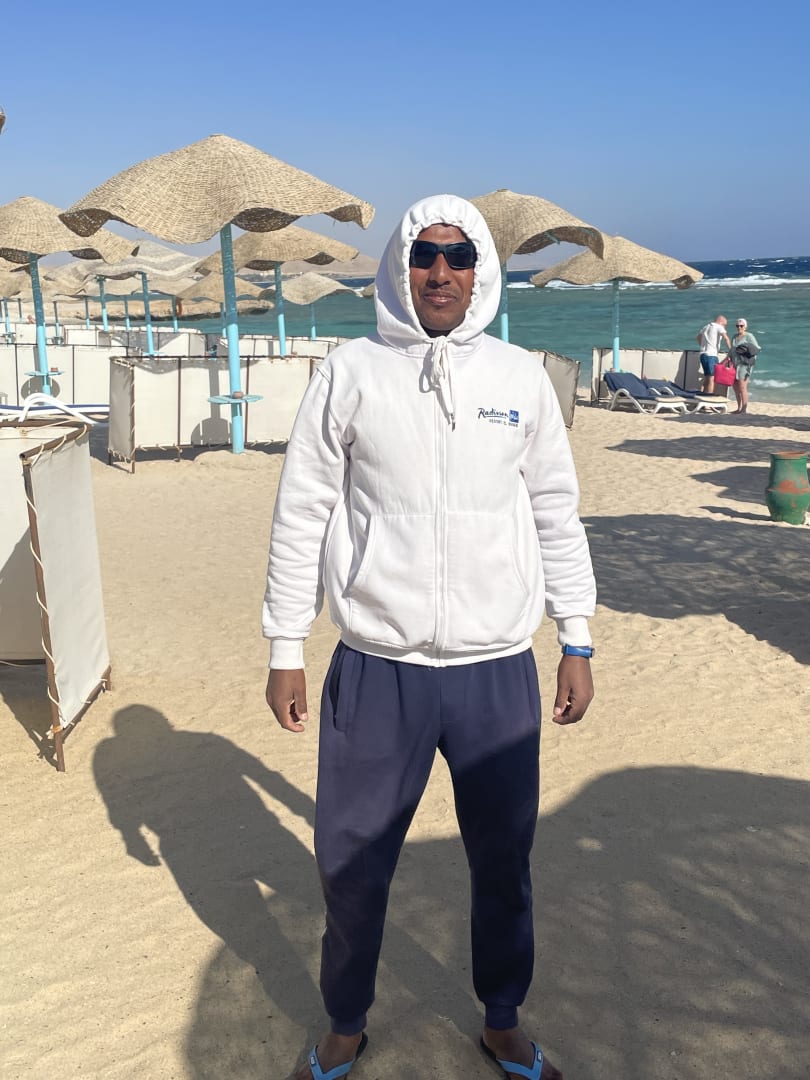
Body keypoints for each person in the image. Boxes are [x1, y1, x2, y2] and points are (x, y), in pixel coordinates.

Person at [262, 194, 596, 1080]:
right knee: (350, 862)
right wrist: (287, 644)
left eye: (458, 256)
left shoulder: (520, 378)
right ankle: (345, 1023)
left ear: (480, 270)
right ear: (399, 267)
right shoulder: (351, 372)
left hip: (496, 667)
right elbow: (302, 512)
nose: (440, 272)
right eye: (424, 255)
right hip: (378, 666)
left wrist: (577, 634)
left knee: (504, 860)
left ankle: (501, 1019)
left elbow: (556, 512)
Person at [729, 317, 761, 414]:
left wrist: (746, 351)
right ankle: (739, 408)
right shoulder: (734, 337)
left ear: (745, 327)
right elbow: (731, 350)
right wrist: (728, 358)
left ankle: (744, 409)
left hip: (744, 365)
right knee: (735, 387)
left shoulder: (749, 336)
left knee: (742, 387)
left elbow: (757, 349)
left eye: (741, 326)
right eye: (737, 326)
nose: (739, 327)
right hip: (734, 364)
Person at [696, 315, 731, 394]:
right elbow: (726, 338)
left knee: (707, 377)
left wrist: (703, 346)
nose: (725, 327)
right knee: (712, 378)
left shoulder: (706, 327)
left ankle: (701, 395)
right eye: (725, 325)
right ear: (720, 322)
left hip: (703, 355)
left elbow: (698, 337)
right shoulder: (719, 327)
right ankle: (709, 398)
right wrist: (731, 351)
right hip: (711, 355)